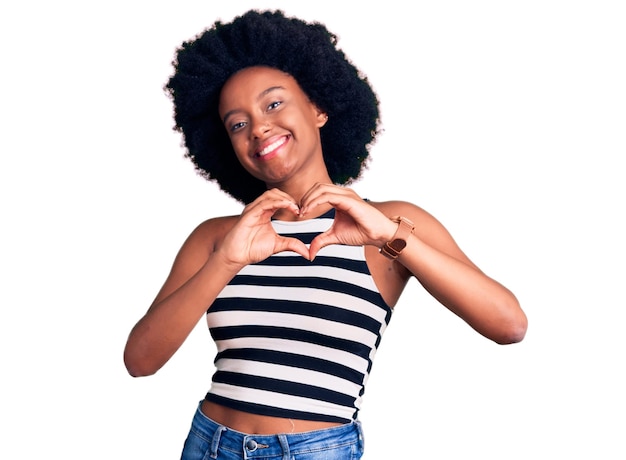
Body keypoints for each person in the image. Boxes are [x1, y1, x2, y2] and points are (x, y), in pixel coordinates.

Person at [123, 9, 528, 460]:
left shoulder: (389, 224)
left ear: (318, 108)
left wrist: (389, 235)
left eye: (273, 104)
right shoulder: (218, 237)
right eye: (237, 123)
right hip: (209, 443)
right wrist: (225, 263)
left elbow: (509, 325)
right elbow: (140, 361)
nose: (258, 127)